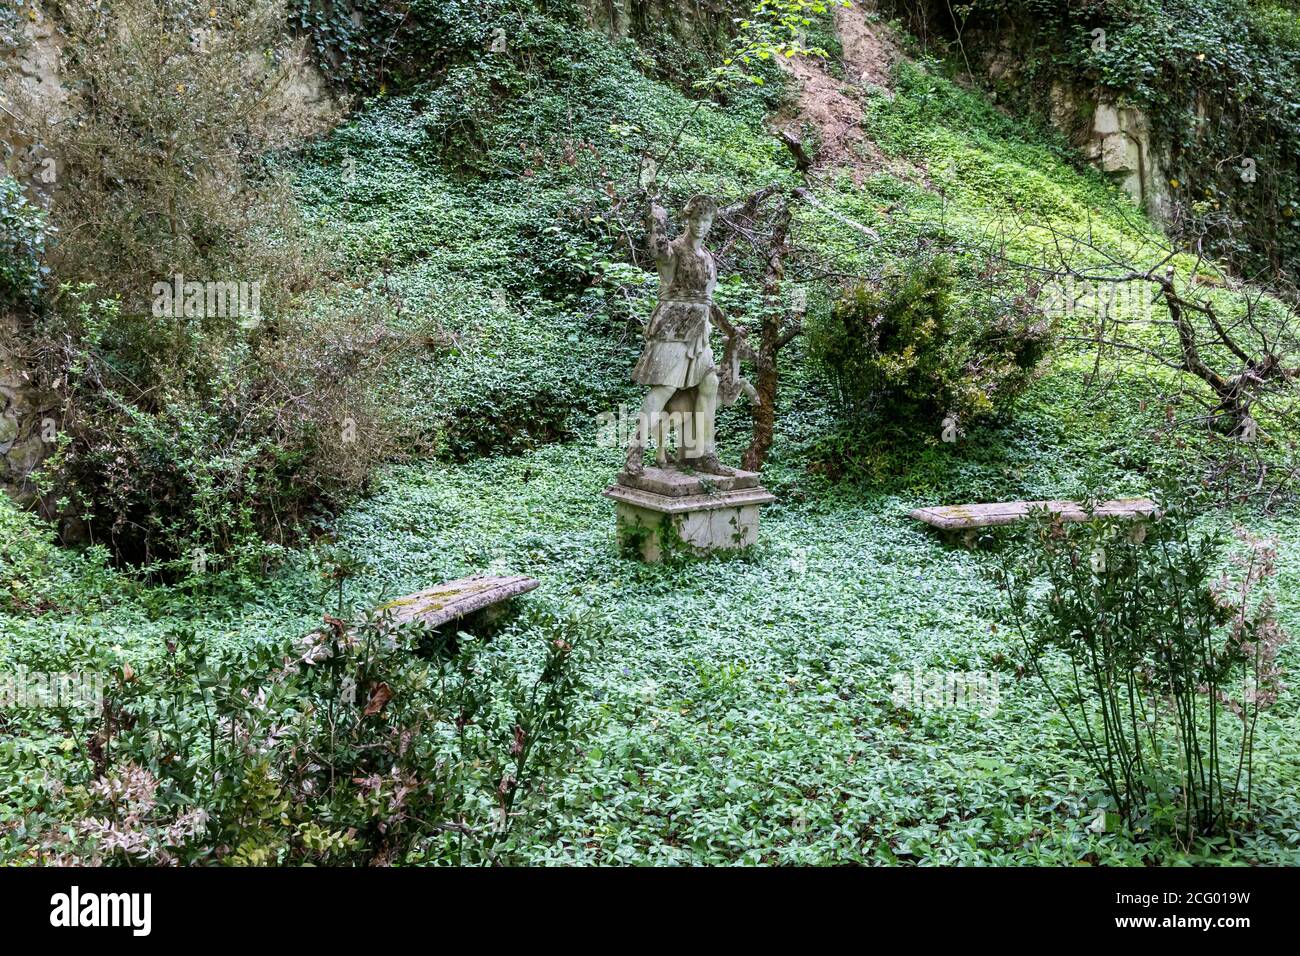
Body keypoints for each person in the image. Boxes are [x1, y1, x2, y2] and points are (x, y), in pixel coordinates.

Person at [624, 192, 731, 476]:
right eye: (696, 218)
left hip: (699, 332)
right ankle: (635, 451)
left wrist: (727, 330)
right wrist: (657, 219)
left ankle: (704, 453)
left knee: (710, 384)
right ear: (688, 219)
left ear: (711, 223)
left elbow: (708, 301)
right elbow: (659, 253)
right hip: (672, 327)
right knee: (664, 389)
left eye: (706, 220)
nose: (700, 225)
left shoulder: (708, 258)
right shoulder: (675, 250)